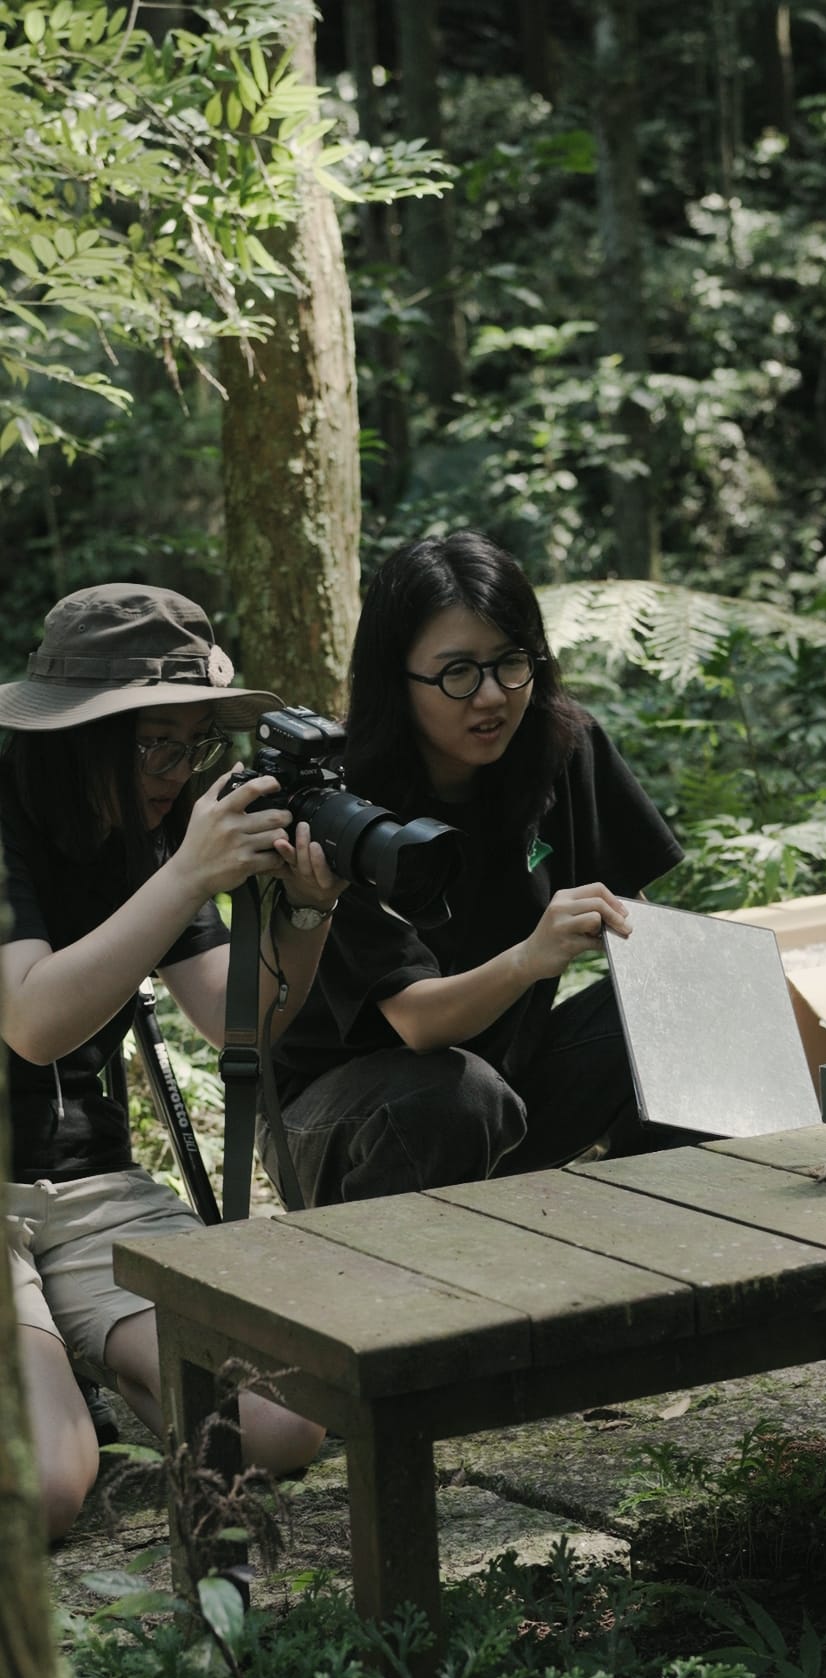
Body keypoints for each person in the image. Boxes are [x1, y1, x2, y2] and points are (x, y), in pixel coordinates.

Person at [0, 583, 347, 1541]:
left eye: (193, 745)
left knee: (282, 1427)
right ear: (76, 734)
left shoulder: (150, 831)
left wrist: (306, 914)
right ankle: (56, 1388)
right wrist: (188, 873)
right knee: (47, 1490)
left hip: (89, 1186)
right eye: (154, 742)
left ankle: (89, 1360)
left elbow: (236, 1021)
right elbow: (30, 1021)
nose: (176, 771)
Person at [259, 530, 686, 1209]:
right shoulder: (341, 808)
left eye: (511, 663)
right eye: (458, 674)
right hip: (349, 1120)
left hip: (509, 1088)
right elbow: (419, 1026)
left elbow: (649, 939)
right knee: (454, 1094)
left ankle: (667, 1247)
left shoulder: (563, 747)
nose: (491, 697)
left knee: (679, 1004)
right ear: (395, 678)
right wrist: (530, 958)